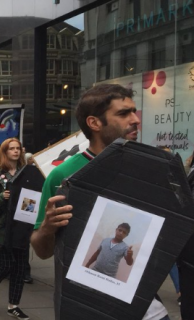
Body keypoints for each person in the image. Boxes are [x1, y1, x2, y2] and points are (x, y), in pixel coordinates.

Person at [29, 84, 169, 319]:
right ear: (94, 123)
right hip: (86, 305)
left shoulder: (149, 168)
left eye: (134, 111)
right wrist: (47, 227)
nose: (135, 120)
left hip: (144, 304)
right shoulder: (62, 176)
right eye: (124, 114)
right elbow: (42, 251)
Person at [0, 137, 29, 319]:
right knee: (7, 264)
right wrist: (2, 197)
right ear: (5, 151)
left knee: (19, 269)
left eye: (18, 148)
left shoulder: (26, 172)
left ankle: (13, 306)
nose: (16, 151)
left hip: (21, 227)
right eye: (12, 149)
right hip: (1, 229)